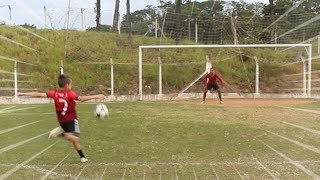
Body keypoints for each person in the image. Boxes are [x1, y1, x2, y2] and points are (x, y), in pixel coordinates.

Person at [19, 74, 106, 163]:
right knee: (75, 139)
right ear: (67, 85)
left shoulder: (54, 93)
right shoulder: (70, 93)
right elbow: (82, 98)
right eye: (71, 84)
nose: (71, 86)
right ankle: (62, 134)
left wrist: (24, 93)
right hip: (71, 120)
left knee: (74, 140)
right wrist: (97, 96)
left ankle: (82, 157)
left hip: (62, 121)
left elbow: (39, 94)